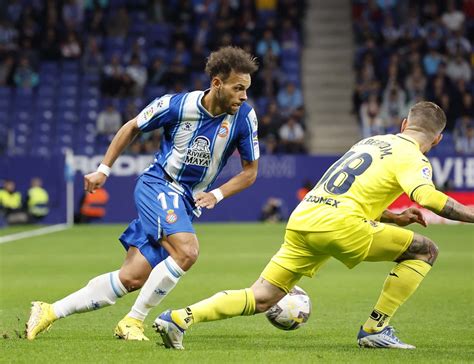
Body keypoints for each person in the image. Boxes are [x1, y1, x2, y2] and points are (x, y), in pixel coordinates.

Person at [154, 101, 474, 350]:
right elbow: (428, 198)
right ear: (438, 138)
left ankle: (180, 318)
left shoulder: (372, 142)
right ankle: (375, 330)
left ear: (404, 124)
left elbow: (349, 191)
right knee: (424, 250)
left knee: (262, 296)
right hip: (341, 224)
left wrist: (392, 216)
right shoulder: (414, 158)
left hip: (305, 218)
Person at [26, 46, 259, 342]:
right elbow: (132, 127)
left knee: (132, 277)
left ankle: (48, 311)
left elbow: (250, 172)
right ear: (216, 83)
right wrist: (103, 170)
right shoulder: (176, 105)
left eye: (247, 90)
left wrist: (218, 194)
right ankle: (133, 321)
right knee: (187, 251)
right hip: (159, 185)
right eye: (238, 88)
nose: (244, 96)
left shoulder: (244, 118)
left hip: (186, 202)